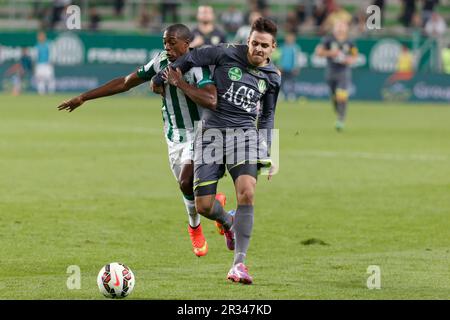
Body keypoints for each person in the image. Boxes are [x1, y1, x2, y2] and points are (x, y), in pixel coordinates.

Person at [57, 24, 220, 258]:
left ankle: (194, 228)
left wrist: (179, 83)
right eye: (165, 42)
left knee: (186, 182)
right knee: (193, 191)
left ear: (186, 43)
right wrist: (84, 97)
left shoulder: (198, 67)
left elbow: (211, 99)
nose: (167, 47)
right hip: (174, 137)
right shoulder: (160, 62)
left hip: (201, 134)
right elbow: (125, 82)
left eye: (172, 42)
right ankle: (216, 207)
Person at [153, 17, 281, 284]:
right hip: (211, 136)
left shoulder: (273, 77)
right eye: (255, 43)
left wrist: (268, 151)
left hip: (244, 138)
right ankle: (228, 220)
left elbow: (267, 115)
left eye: (264, 46)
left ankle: (239, 265)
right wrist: (161, 76)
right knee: (204, 206)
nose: (258, 49)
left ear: (272, 48)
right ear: (248, 41)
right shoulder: (224, 52)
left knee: (247, 192)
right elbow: (189, 58)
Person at [315, 20, 358, 131]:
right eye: (338, 27)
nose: (340, 29)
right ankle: (338, 110)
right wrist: (331, 53)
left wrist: (349, 60)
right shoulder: (328, 40)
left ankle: (341, 119)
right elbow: (318, 52)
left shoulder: (350, 42)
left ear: (346, 29)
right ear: (334, 29)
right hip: (331, 71)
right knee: (334, 95)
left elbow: (355, 56)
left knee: (342, 94)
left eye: (342, 26)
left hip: (343, 71)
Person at [278, 32, 301, 101]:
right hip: (283, 68)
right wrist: (279, 65)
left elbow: (296, 59)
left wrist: (296, 67)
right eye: (288, 38)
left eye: (291, 38)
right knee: (281, 81)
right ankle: (280, 94)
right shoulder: (282, 47)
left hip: (291, 68)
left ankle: (291, 95)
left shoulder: (295, 48)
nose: (289, 39)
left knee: (292, 82)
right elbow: (280, 57)